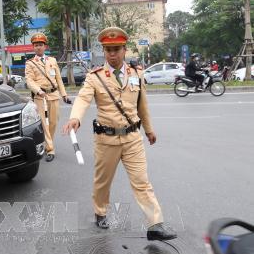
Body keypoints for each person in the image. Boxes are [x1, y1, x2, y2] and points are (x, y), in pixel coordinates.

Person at [62, 26, 176, 241]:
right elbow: (84, 98)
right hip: (107, 140)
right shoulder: (95, 77)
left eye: (116, 49)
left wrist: (149, 130)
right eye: (108, 50)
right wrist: (75, 117)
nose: (112, 54)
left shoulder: (137, 73)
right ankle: (100, 211)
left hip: (133, 138)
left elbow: (143, 105)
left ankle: (155, 225)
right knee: (103, 181)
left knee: (142, 182)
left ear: (125, 50)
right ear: (104, 51)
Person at [25, 32, 70, 162]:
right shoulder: (30, 63)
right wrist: (38, 91)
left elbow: (59, 79)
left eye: (41, 45)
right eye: (36, 45)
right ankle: (50, 149)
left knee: (54, 122)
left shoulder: (52, 60)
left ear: (45, 47)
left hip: (54, 95)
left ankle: (46, 142)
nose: (38, 47)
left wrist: (64, 94)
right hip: (40, 97)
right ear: (33, 48)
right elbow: (29, 81)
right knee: (44, 124)